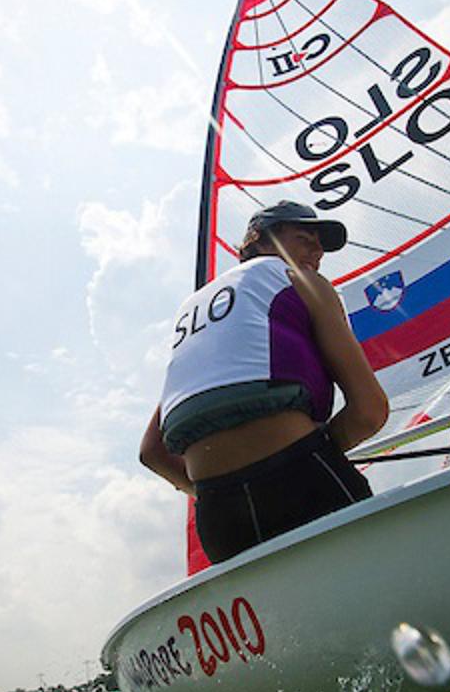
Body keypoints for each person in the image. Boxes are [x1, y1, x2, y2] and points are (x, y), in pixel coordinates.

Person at [140, 200, 388, 563]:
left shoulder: (192, 310)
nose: (317, 252)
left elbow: (151, 452)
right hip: (304, 481)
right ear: (258, 238)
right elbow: (370, 411)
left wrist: (220, 488)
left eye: (321, 246)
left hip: (219, 516)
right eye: (305, 238)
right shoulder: (301, 281)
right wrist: (311, 454)